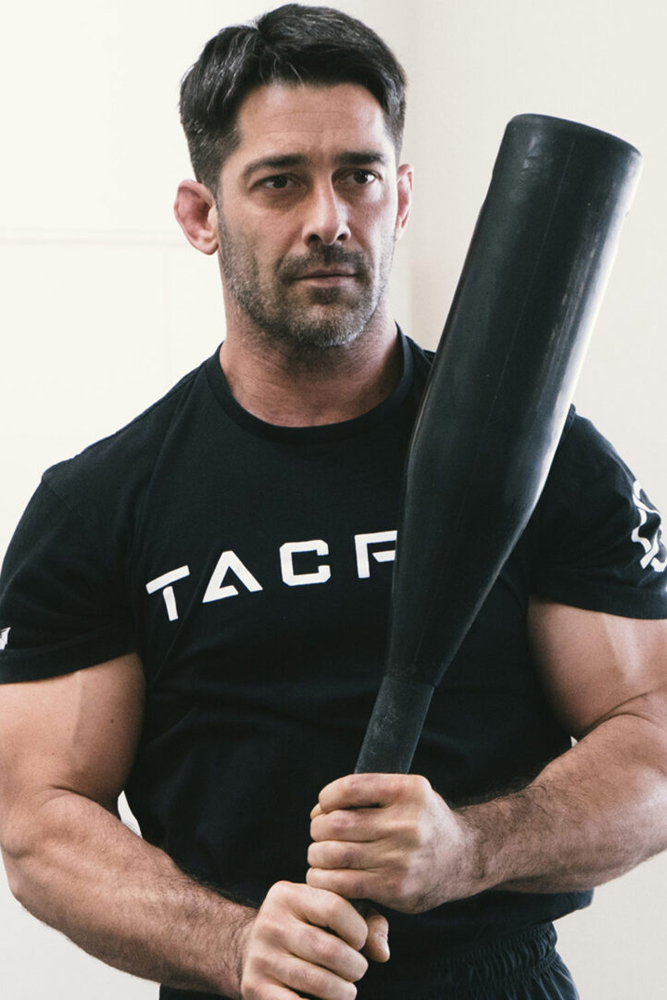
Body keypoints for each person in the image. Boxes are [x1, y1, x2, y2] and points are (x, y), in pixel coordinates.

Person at [1, 5, 667, 999]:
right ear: (200, 215)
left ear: (400, 197)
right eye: (279, 181)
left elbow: (652, 735)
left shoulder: (550, 462)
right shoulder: (99, 505)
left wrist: (469, 849)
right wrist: (233, 943)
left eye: (358, 175)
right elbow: (39, 821)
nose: (328, 218)